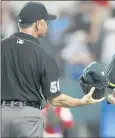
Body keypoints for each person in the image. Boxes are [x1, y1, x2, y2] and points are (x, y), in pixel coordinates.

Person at [1, 2, 104, 137]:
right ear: (38, 24)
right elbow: (55, 100)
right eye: (46, 21)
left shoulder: (2, 46)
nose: (48, 25)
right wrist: (81, 101)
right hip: (27, 116)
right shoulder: (44, 55)